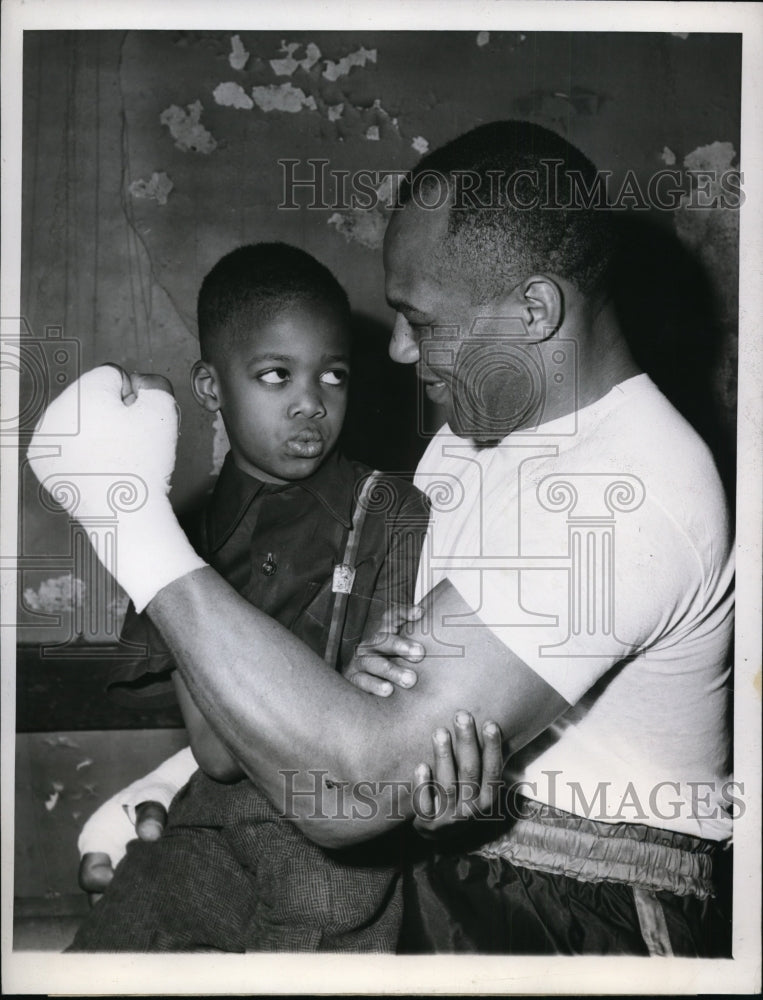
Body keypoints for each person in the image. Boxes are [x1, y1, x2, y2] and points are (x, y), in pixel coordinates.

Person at [30, 120, 734, 956]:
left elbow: (354, 785)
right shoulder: (464, 444)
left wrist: (125, 517)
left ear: (535, 309)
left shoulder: (630, 487)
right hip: (443, 879)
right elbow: (365, 712)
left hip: (587, 921)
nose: (397, 349)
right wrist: (176, 782)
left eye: (419, 319)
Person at [62, 240, 444, 952]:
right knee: (108, 950)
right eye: (275, 375)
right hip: (208, 822)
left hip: (327, 843)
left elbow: (375, 726)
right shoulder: (180, 535)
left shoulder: (390, 511)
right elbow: (216, 758)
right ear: (211, 386)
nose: (310, 405)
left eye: (333, 376)